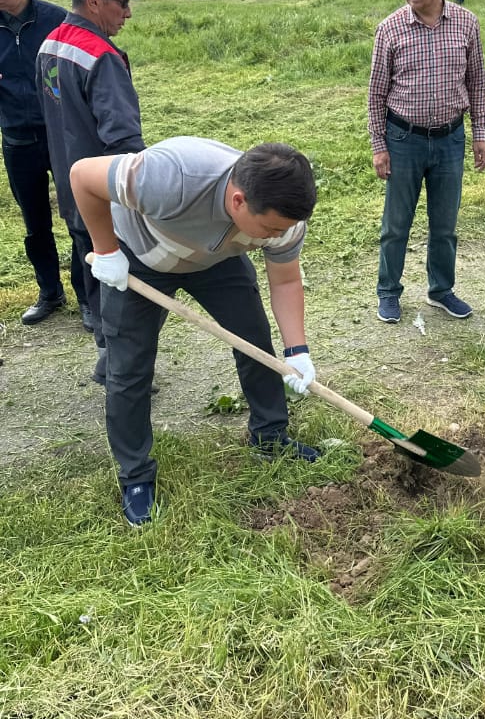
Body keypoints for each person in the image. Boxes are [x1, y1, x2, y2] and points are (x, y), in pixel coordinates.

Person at [70, 138, 321, 526]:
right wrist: (106, 251)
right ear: (239, 201)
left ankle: (270, 439)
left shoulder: (284, 222)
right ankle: (136, 477)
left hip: (219, 259)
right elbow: (82, 175)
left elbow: (286, 282)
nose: (275, 237)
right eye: (269, 228)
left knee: (255, 342)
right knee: (128, 369)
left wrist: (297, 351)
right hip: (141, 257)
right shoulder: (170, 177)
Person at [36, 0, 147, 375]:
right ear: (95, 0)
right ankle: (120, 365)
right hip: (105, 191)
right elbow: (123, 141)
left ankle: (106, 350)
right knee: (120, 278)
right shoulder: (101, 57)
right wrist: (139, 195)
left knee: (94, 266)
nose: (128, 12)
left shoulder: (49, 46)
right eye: (122, 3)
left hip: (69, 185)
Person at [368, 0, 485, 324]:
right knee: (396, 225)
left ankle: (441, 290)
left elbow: (476, 85)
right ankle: (389, 292)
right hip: (404, 139)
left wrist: (480, 134)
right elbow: (375, 94)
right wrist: (379, 146)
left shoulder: (467, 24)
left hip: (451, 140)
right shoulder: (390, 29)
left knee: (445, 225)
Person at [0, 0, 89, 328]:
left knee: (78, 218)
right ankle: (49, 291)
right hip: (17, 139)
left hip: (60, 139)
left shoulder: (57, 21)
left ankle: (87, 296)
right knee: (35, 222)